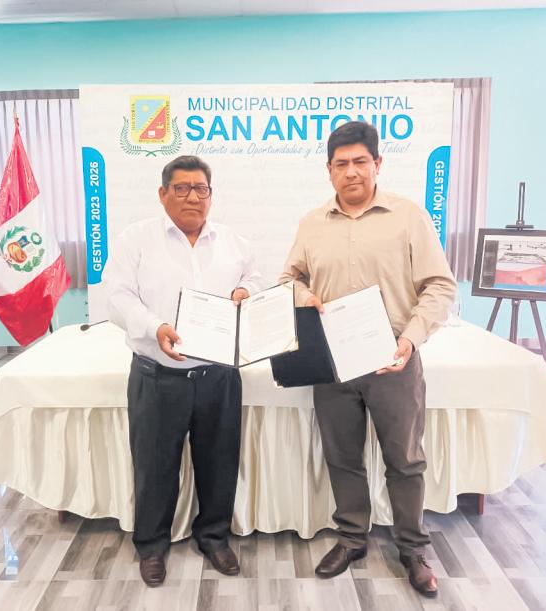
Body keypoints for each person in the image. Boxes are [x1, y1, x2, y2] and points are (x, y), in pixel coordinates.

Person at [279, 121, 456, 597]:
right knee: (342, 456)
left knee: (405, 460)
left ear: (378, 164)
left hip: (393, 359)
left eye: (361, 161)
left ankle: (412, 549)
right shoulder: (312, 224)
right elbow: (288, 279)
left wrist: (411, 339)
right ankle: (352, 538)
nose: (351, 171)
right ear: (329, 171)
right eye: (341, 164)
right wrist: (303, 295)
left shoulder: (408, 217)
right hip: (332, 362)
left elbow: (440, 285)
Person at [106, 155, 262, 587]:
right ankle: (152, 546)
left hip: (219, 376)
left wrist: (246, 290)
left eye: (201, 189)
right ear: (163, 194)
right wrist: (154, 326)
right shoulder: (136, 239)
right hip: (158, 375)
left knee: (219, 461)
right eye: (182, 188)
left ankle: (213, 537)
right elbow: (117, 296)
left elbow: (256, 277)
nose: (193, 196)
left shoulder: (233, 241)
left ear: (211, 195)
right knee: (155, 466)